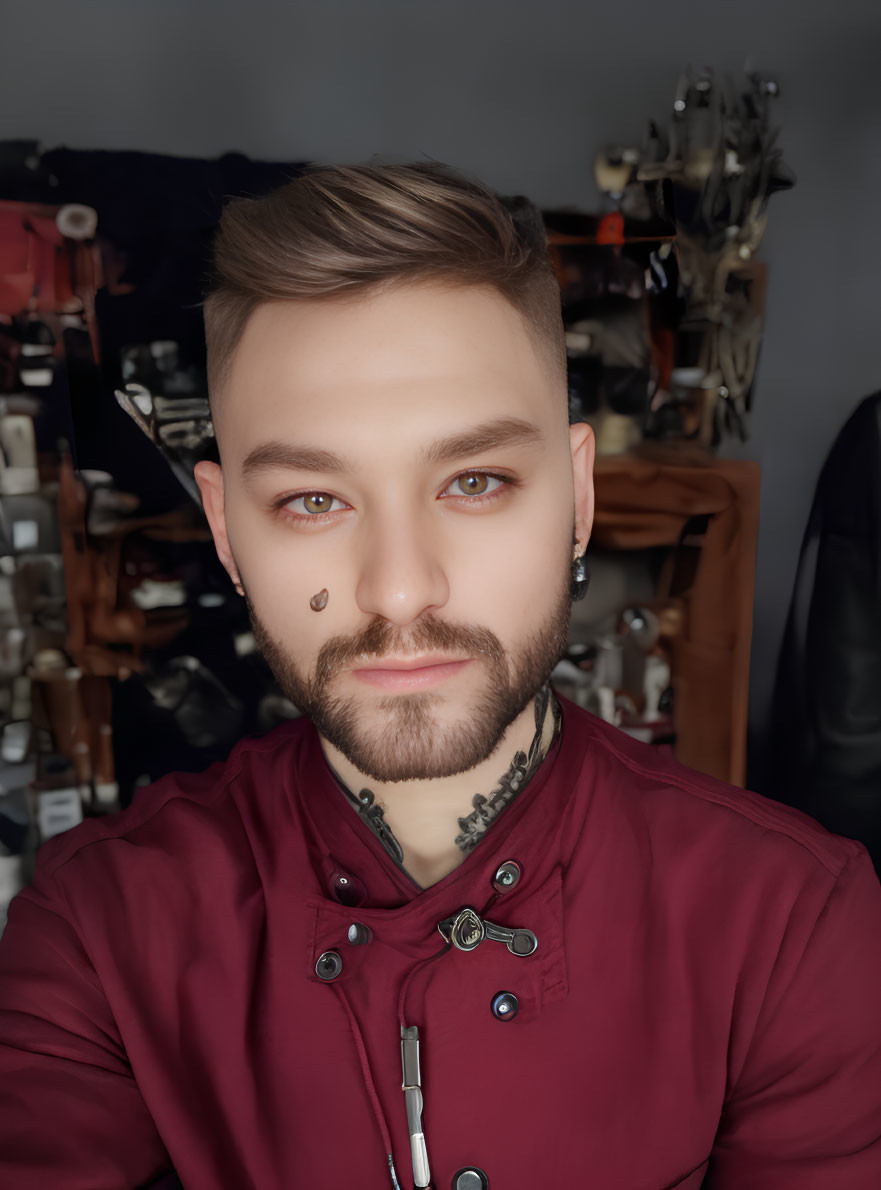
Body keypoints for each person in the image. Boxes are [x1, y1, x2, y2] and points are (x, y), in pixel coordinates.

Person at [1, 163, 880, 1190]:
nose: (401, 588)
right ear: (226, 530)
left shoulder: (791, 924)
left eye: (474, 481)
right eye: (312, 500)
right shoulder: (96, 930)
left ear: (577, 497)